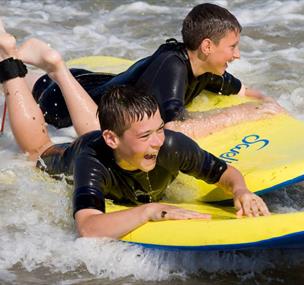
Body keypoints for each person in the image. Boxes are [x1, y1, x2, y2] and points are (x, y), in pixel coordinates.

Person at [0, 31, 270, 239]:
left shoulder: (170, 145)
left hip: (110, 137)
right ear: (112, 140)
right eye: (146, 137)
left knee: (104, 129)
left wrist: (241, 190)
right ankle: (8, 61)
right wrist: (150, 211)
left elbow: (225, 172)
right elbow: (89, 227)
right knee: (38, 152)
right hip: (75, 153)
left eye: (160, 130)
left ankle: (57, 67)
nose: (157, 142)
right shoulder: (91, 162)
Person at [28, 3, 285, 138]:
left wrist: (266, 101)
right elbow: (175, 128)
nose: (237, 55)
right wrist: (242, 115)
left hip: (90, 80)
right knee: (31, 84)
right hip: (66, 107)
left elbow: (241, 89)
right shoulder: (173, 68)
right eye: (233, 47)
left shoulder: (205, 67)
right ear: (207, 46)